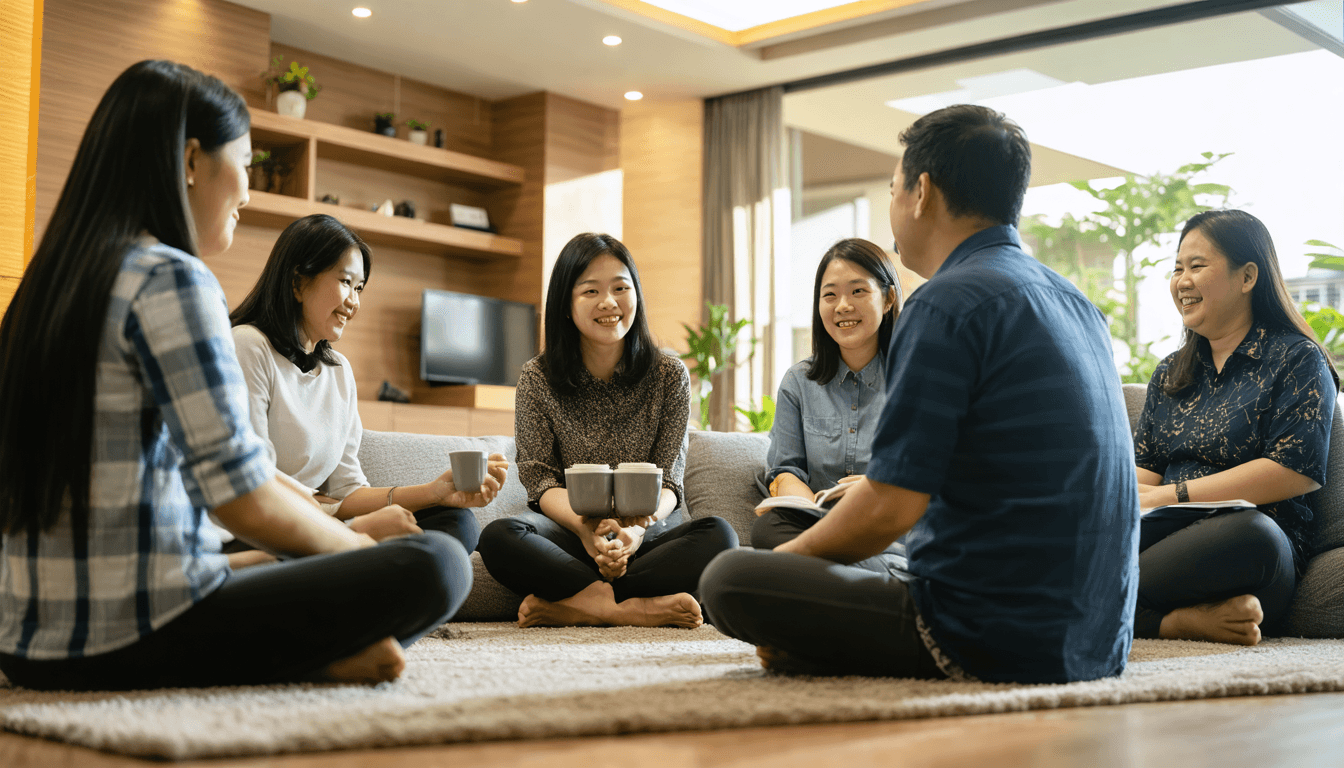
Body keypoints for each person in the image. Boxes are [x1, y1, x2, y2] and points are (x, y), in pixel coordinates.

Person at [0, 60, 470, 691]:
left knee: (402, 554)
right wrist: (361, 550)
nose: (248, 191)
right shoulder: (169, 277)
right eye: (245, 162)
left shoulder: (45, 288)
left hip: (25, 641)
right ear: (192, 160)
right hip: (131, 631)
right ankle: (304, 659)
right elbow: (241, 496)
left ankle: (316, 655)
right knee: (438, 564)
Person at [699, 104, 1139, 684]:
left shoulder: (945, 302)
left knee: (730, 579)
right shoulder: (1076, 303)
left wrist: (781, 578)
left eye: (892, 188)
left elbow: (890, 506)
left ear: (922, 192)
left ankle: (820, 644)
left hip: (985, 632)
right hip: (1102, 638)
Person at [477, 233, 738, 628]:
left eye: (620, 288)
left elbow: (670, 479)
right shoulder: (537, 378)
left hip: (646, 539)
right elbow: (539, 479)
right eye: (590, 291)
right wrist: (586, 531)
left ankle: (577, 605)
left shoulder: (669, 375)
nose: (609, 302)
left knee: (719, 535)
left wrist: (634, 533)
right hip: (570, 534)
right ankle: (627, 608)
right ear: (566, 304)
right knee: (499, 537)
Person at [227, 213, 507, 556]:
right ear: (297, 282)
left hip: (326, 524)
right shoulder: (249, 346)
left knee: (455, 524)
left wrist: (435, 491)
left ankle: (360, 574)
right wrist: (331, 512)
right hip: (259, 530)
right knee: (427, 558)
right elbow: (252, 478)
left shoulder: (339, 371)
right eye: (345, 282)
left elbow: (348, 491)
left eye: (359, 288)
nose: (354, 302)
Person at [1132, 209, 1337, 646]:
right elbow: (1143, 475)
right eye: (1177, 268)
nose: (1182, 281)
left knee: (1252, 532)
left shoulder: (1297, 359)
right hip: (1164, 540)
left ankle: (1092, 594)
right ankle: (1175, 622)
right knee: (1068, 533)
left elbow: (1293, 470)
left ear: (1247, 277)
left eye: (1197, 266)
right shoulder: (1170, 373)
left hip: (1251, 549)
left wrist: (1172, 496)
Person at [754, 238, 906, 574]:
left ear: (888, 299)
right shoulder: (798, 382)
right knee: (768, 529)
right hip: (819, 526)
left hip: (888, 531)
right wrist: (808, 508)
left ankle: (831, 576)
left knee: (768, 565)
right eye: (830, 295)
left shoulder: (913, 379)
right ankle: (863, 578)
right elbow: (786, 469)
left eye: (857, 291)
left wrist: (874, 487)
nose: (842, 306)